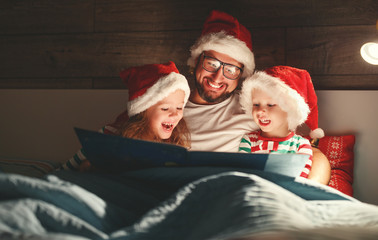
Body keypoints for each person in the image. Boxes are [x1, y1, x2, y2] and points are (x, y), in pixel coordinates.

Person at [183, 10, 331, 184]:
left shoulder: (256, 108)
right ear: (196, 61)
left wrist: (305, 193)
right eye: (211, 64)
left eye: (230, 70)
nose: (217, 77)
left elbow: (314, 154)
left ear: (240, 76)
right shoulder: (170, 109)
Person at [61, 61, 191, 170]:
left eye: (180, 107)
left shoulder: (175, 144)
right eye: (165, 108)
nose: (175, 114)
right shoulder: (108, 135)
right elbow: (66, 170)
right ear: (143, 110)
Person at [238, 65, 325, 178]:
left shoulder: (301, 145)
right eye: (256, 104)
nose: (260, 111)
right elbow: (243, 174)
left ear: (290, 109)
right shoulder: (249, 141)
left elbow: (300, 180)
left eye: (270, 105)